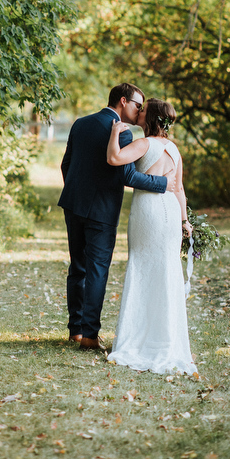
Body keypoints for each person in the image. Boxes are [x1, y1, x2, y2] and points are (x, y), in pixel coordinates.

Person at [58, 83, 170, 352]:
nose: (139, 111)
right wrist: (163, 184)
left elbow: (66, 164)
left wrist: (77, 192)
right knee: (97, 271)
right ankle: (90, 336)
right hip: (102, 211)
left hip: (73, 206)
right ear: (123, 101)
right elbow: (128, 176)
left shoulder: (80, 123)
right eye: (137, 105)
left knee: (78, 268)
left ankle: (75, 329)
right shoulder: (122, 132)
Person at [105, 97, 196, 374]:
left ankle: (139, 340)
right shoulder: (174, 149)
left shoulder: (144, 144)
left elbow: (113, 158)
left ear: (152, 118)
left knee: (143, 265)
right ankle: (167, 339)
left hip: (148, 210)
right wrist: (185, 220)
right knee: (168, 269)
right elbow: (178, 189)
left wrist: (114, 134)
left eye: (143, 111)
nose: (139, 113)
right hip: (169, 210)